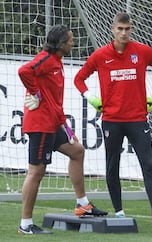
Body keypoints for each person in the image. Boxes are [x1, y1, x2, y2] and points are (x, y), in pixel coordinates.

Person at [74, 12, 152, 225]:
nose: (124, 32)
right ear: (113, 29)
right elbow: (79, 78)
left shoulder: (143, 52)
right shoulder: (100, 55)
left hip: (138, 120)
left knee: (147, 164)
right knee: (112, 165)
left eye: (127, 29)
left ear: (132, 29)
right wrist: (91, 98)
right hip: (112, 121)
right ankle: (119, 212)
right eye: (120, 28)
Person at [17, 25, 108, 235]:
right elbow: (24, 71)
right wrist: (34, 92)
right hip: (40, 124)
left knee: (77, 151)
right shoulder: (46, 59)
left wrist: (64, 125)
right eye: (70, 40)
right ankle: (25, 224)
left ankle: (83, 205)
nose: (72, 43)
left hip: (53, 123)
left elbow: (53, 99)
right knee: (36, 172)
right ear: (60, 44)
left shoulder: (57, 62)